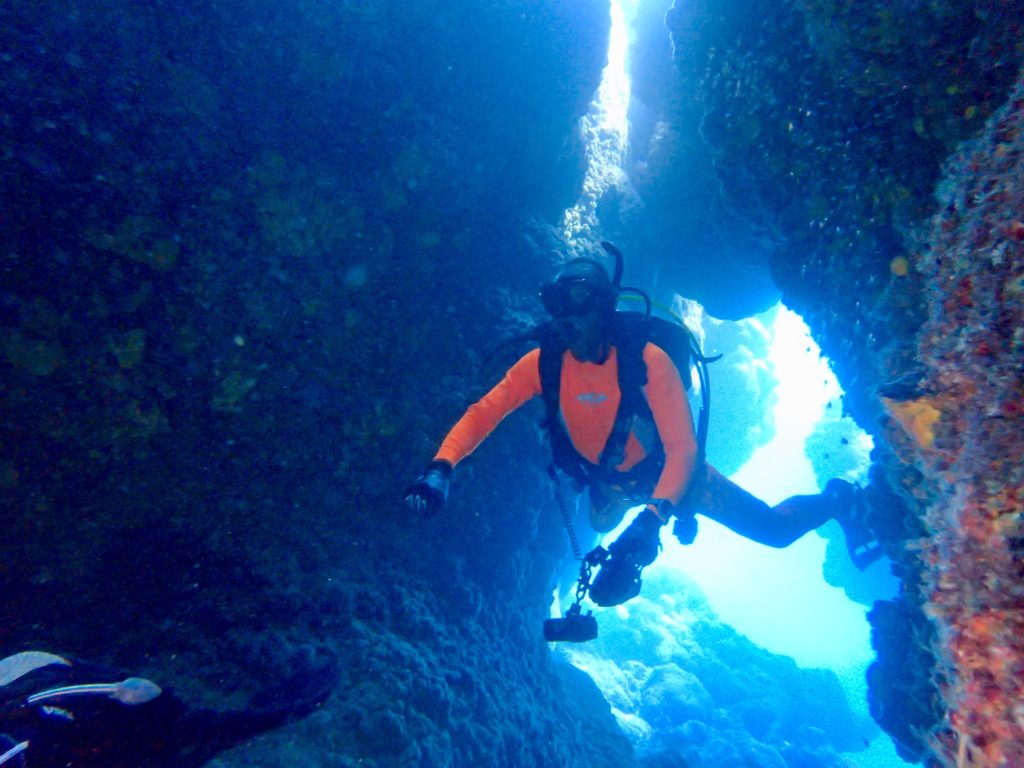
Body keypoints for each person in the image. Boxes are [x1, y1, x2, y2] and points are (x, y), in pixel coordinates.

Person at [405, 255, 880, 606]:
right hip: (607, 482)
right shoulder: (542, 365)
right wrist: (441, 468)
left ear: (605, 309)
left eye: (580, 305)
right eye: (557, 306)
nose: (567, 320)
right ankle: (630, 538)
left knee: (773, 531)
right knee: (600, 527)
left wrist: (652, 521)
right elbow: (484, 412)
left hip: (669, 476)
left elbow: (681, 449)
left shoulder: (646, 362)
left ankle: (838, 499)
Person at [0, 647, 337, 767]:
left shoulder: (26, 697)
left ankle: (304, 690)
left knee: (224, 731)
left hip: (132, 731)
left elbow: (133, 691)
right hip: (115, 738)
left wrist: (130, 693)